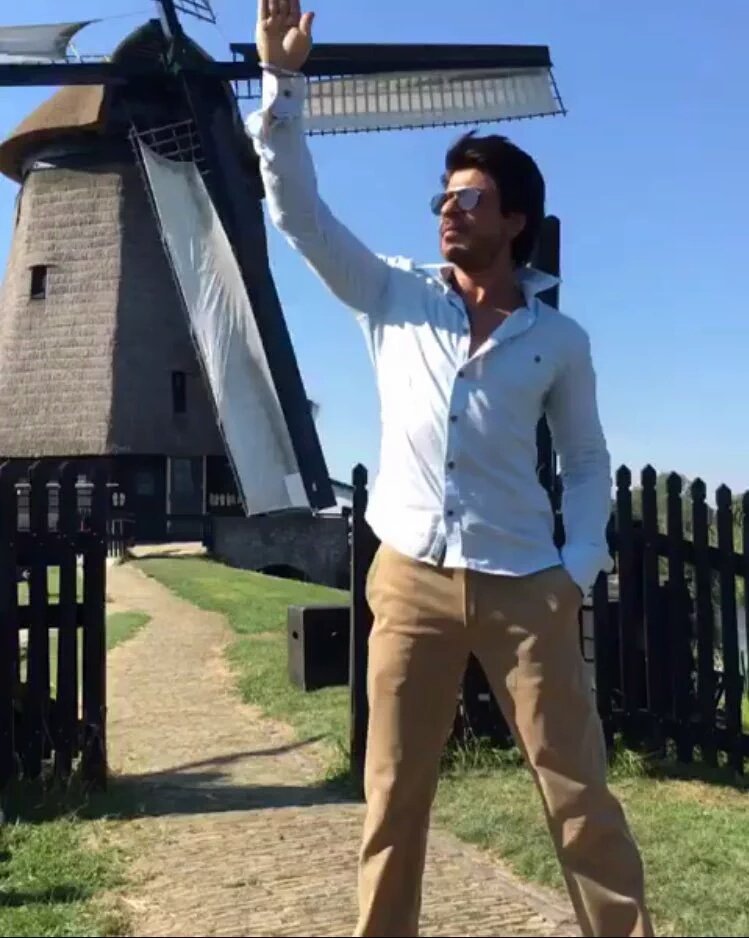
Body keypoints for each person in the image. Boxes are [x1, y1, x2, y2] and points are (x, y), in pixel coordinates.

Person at [248, 2, 654, 936]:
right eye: (442, 198)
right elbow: (298, 215)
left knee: (577, 792)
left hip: (526, 585)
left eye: (468, 199)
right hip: (410, 577)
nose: (446, 210)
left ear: (514, 219)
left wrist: (577, 568)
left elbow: (585, 461)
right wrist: (283, 83)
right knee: (393, 793)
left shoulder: (558, 338)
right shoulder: (390, 294)